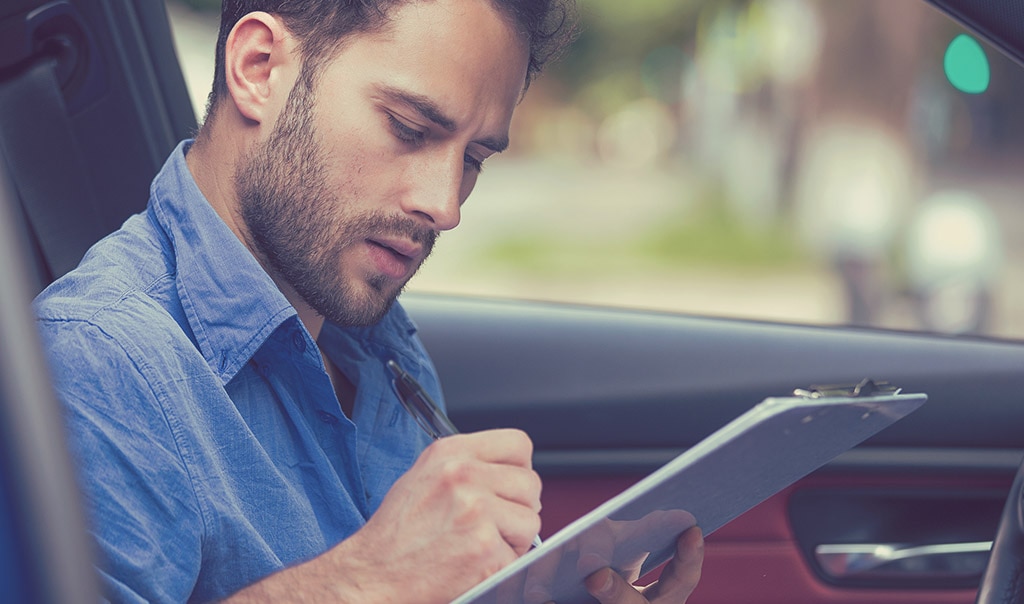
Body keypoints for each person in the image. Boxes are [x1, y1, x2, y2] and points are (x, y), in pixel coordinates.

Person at [33, 0, 704, 601]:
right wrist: (363, 583)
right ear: (259, 68)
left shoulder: (374, 340)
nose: (444, 206)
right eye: (410, 129)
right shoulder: (95, 365)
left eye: (474, 159)